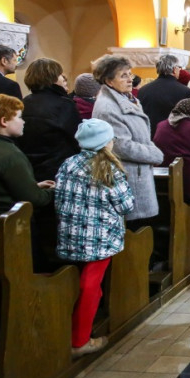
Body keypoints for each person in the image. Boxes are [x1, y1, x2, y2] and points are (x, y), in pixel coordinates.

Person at [54, 118, 135, 358]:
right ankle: (80, 341)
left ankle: (71, 330)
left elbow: (59, 197)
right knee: (90, 286)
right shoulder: (109, 168)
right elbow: (126, 205)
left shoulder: (68, 163)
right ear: (105, 142)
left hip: (70, 233)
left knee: (82, 284)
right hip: (100, 238)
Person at [92, 55, 164, 224]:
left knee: (142, 229)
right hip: (128, 175)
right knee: (135, 229)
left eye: (130, 74)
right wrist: (154, 154)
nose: (130, 79)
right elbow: (121, 145)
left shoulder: (127, 99)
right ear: (109, 81)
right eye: (123, 75)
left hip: (137, 172)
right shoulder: (108, 107)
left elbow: (140, 136)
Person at [0, 94, 55, 217]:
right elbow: (35, 199)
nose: (23, 122)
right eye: (19, 117)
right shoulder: (10, 154)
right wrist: (54, 190)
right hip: (3, 222)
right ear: (4, 121)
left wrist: (31, 186)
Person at [15, 58, 82, 181]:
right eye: (60, 74)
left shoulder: (24, 102)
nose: (63, 77)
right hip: (57, 169)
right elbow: (77, 137)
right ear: (53, 78)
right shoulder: (64, 104)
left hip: (28, 167)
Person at [137, 54, 190, 138]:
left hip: (149, 137)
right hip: (174, 139)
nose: (180, 70)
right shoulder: (186, 92)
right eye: (179, 67)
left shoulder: (143, 90)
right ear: (174, 69)